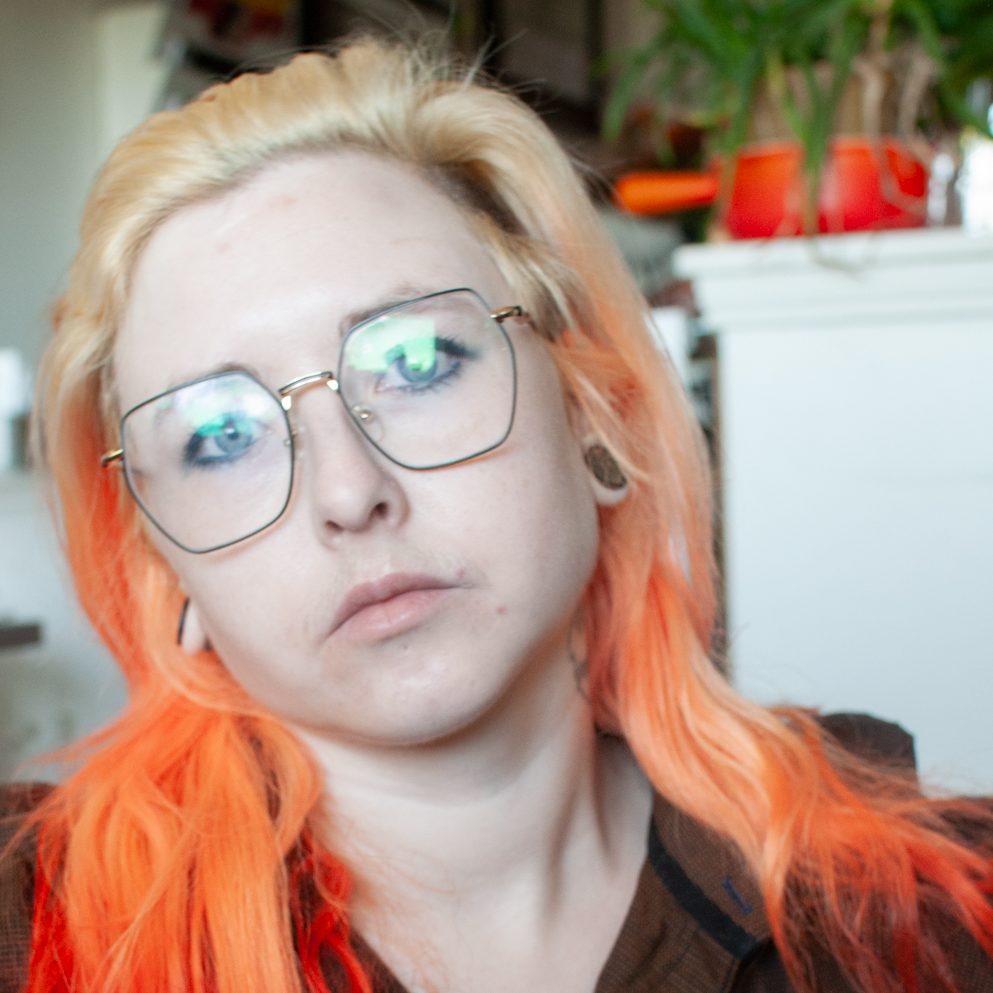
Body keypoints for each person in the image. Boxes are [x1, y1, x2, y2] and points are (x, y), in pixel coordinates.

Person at [2, 34, 992, 993]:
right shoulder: (31, 928)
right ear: (162, 559)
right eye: (222, 434)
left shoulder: (929, 915)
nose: (348, 493)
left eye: (415, 362)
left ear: (591, 413)